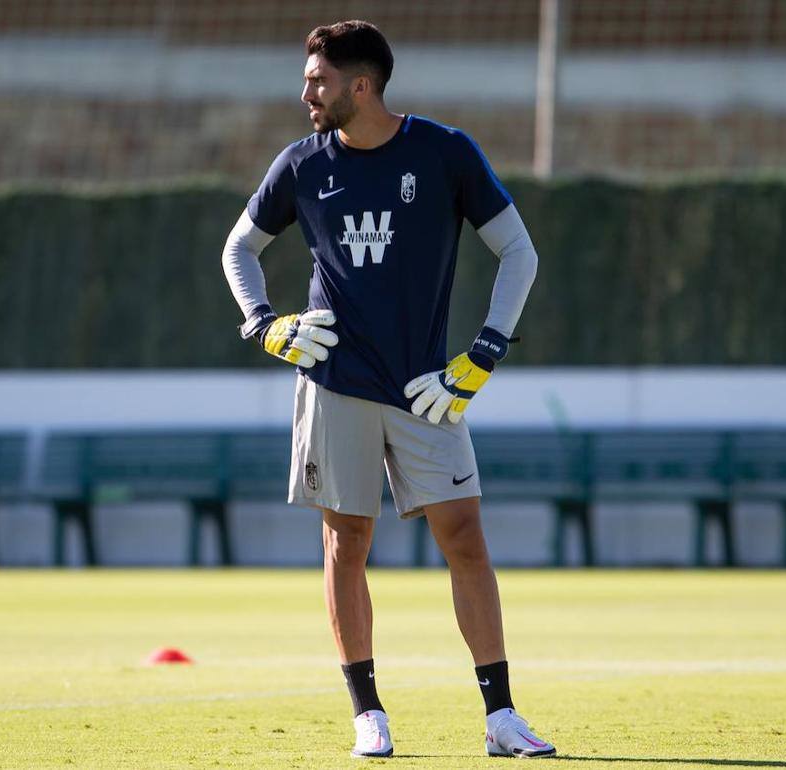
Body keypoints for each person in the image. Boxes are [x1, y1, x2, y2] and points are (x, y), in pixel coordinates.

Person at [221, 19, 555, 760]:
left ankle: (501, 717)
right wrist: (264, 324)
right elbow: (238, 247)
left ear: (361, 85)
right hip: (334, 382)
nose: (306, 92)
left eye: (318, 80)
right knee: (346, 542)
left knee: (465, 536)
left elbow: (518, 252)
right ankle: (367, 713)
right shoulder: (301, 164)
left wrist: (485, 351)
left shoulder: (444, 152)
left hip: (426, 387)